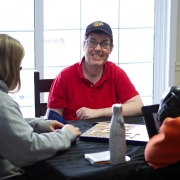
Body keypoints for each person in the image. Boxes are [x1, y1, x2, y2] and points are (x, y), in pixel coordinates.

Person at [0, 34, 81, 180]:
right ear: (8, 67)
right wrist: (66, 134)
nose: (19, 71)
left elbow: (7, 125)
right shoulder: (3, 102)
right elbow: (29, 149)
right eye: (18, 66)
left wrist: (39, 124)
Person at [47, 21, 143, 121]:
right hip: (73, 134)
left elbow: (138, 106)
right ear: (84, 45)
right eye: (92, 42)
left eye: (104, 44)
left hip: (108, 134)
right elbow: (52, 120)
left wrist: (98, 112)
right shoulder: (64, 76)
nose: (98, 48)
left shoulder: (116, 73)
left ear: (111, 49)